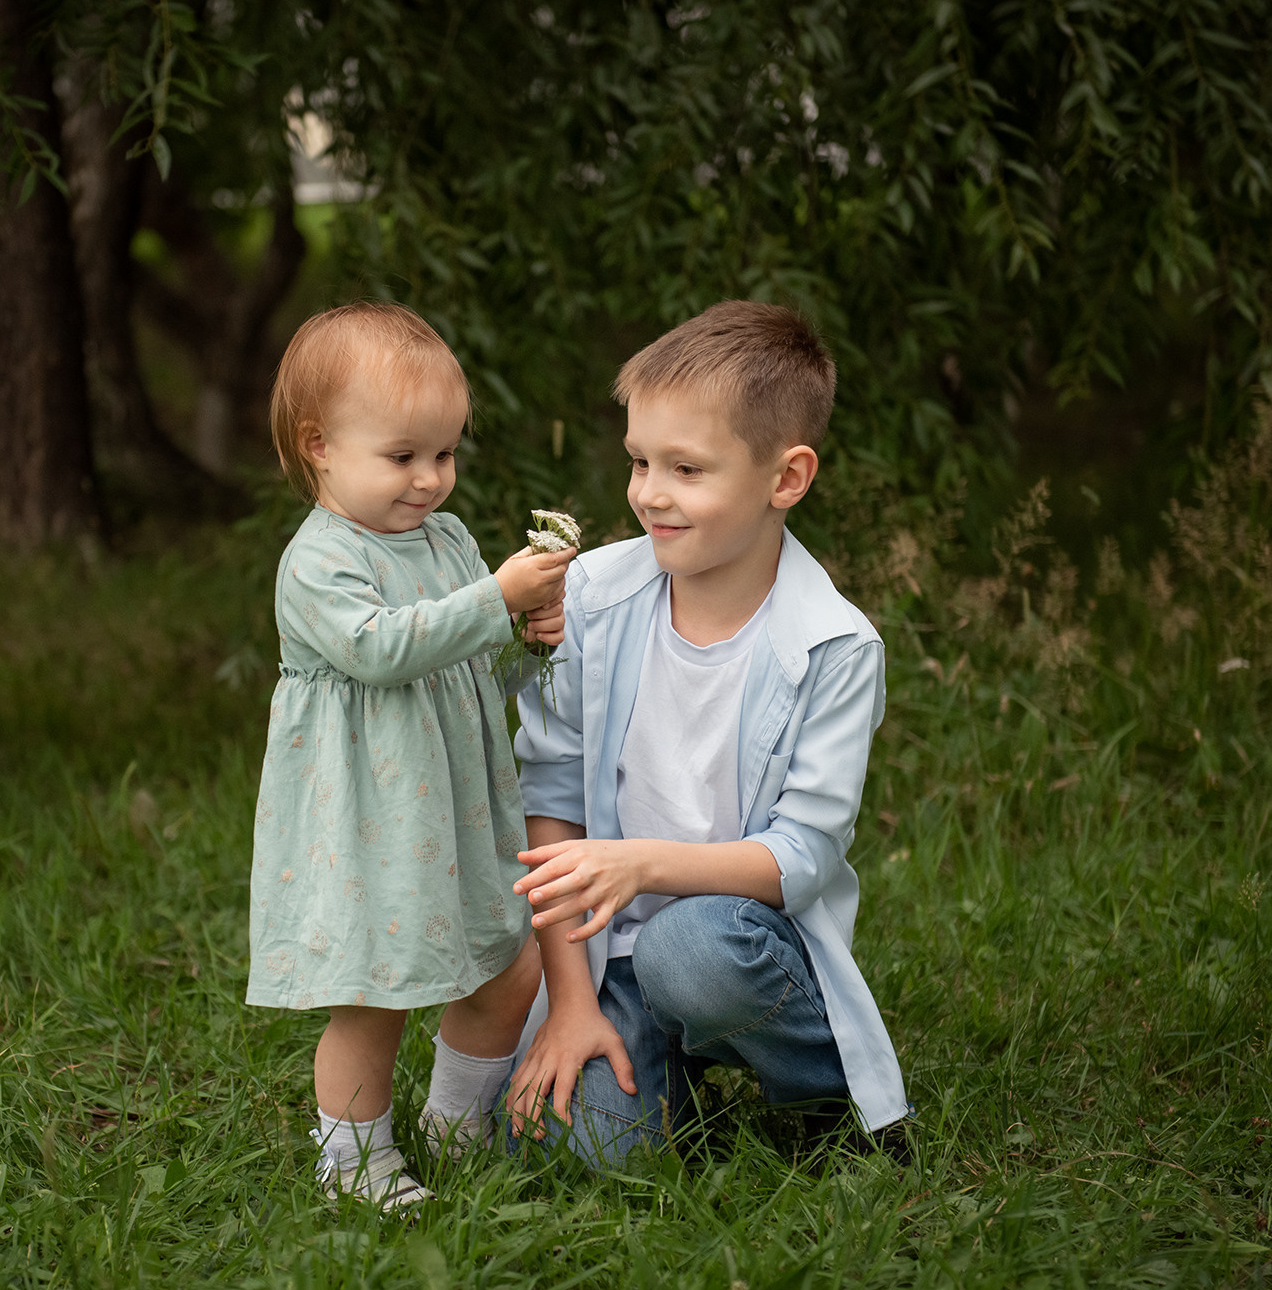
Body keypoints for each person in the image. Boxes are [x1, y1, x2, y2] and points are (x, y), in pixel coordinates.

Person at [506, 300, 911, 1165]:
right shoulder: (593, 601)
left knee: (690, 949)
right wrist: (570, 1002)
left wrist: (642, 864)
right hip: (603, 953)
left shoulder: (831, 646)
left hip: (736, 945)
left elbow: (800, 854)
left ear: (786, 477)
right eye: (640, 461)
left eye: (687, 468)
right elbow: (549, 799)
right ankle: (662, 1085)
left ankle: (819, 1097)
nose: (650, 492)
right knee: (562, 1150)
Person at [246, 301, 575, 1210]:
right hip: (369, 815)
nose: (431, 478)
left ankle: (454, 1125)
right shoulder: (318, 562)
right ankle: (353, 1159)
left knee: (507, 960)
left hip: (455, 806)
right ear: (319, 445)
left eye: (445, 452)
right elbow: (382, 648)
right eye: (404, 456)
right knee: (377, 989)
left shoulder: (450, 539)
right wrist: (495, 596)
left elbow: (472, 661)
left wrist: (527, 634)